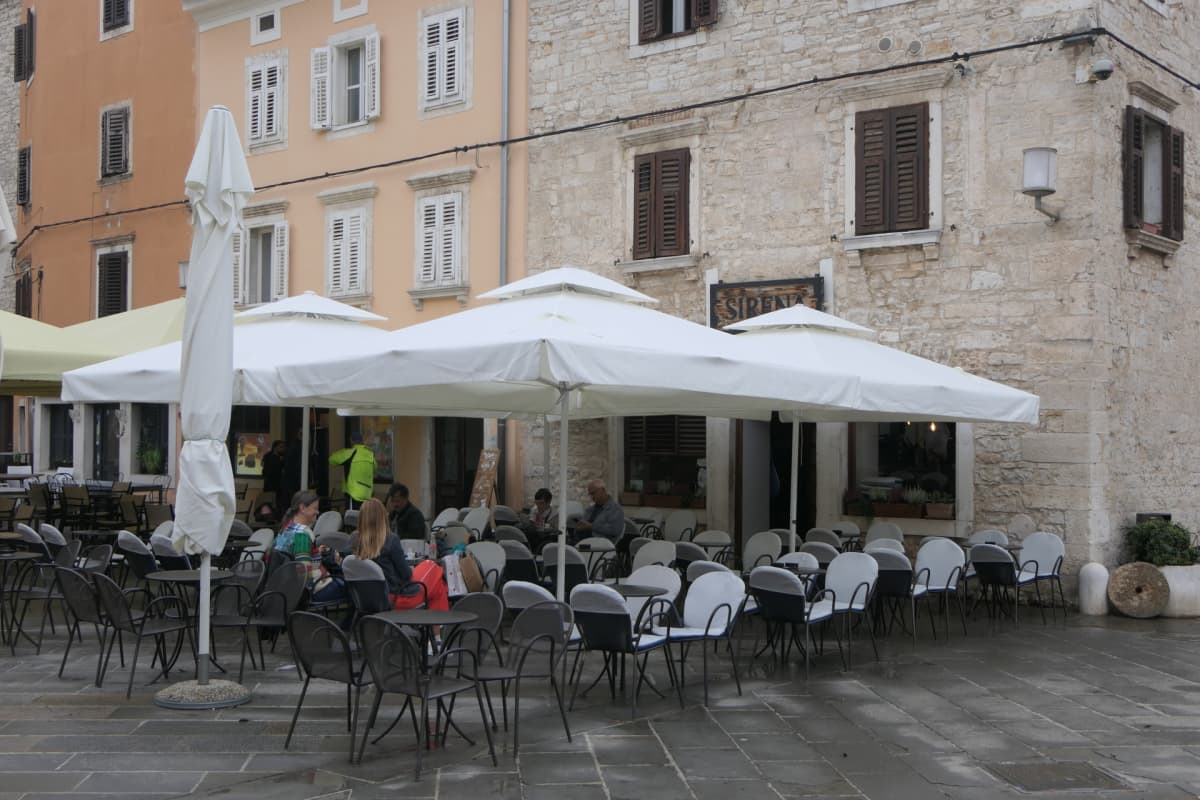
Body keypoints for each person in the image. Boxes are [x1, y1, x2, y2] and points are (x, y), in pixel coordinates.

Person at [353, 498, 449, 622]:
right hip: (396, 598)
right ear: (382, 517)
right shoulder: (390, 540)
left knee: (437, 584)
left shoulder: (353, 542)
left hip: (365, 599)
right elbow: (406, 575)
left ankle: (434, 631)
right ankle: (437, 630)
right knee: (434, 571)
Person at [273, 491, 345, 605]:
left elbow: (292, 558)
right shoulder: (302, 536)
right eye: (315, 508)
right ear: (302, 508)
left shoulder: (285, 529)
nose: (317, 512)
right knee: (354, 585)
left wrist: (316, 552)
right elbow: (304, 571)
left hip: (286, 590)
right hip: (311, 592)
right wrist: (322, 571)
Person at [330, 431, 376, 510]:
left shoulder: (350, 453)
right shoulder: (370, 454)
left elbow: (331, 460)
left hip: (353, 493)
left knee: (352, 516)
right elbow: (375, 468)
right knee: (364, 515)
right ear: (362, 441)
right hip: (367, 494)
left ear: (351, 441)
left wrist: (342, 451)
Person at [571, 479, 624, 545]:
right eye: (590, 494)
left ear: (602, 490)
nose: (592, 497)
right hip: (581, 542)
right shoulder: (590, 509)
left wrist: (591, 526)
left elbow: (614, 530)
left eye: (593, 493)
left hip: (601, 545)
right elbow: (583, 525)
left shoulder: (615, 509)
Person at [261, 440, 286, 511]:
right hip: (271, 483)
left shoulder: (280, 457)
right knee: (271, 501)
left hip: (276, 484)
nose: (283, 449)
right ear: (275, 448)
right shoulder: (271, 457)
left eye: (283, 447)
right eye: (280, 447)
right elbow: (268, 469)